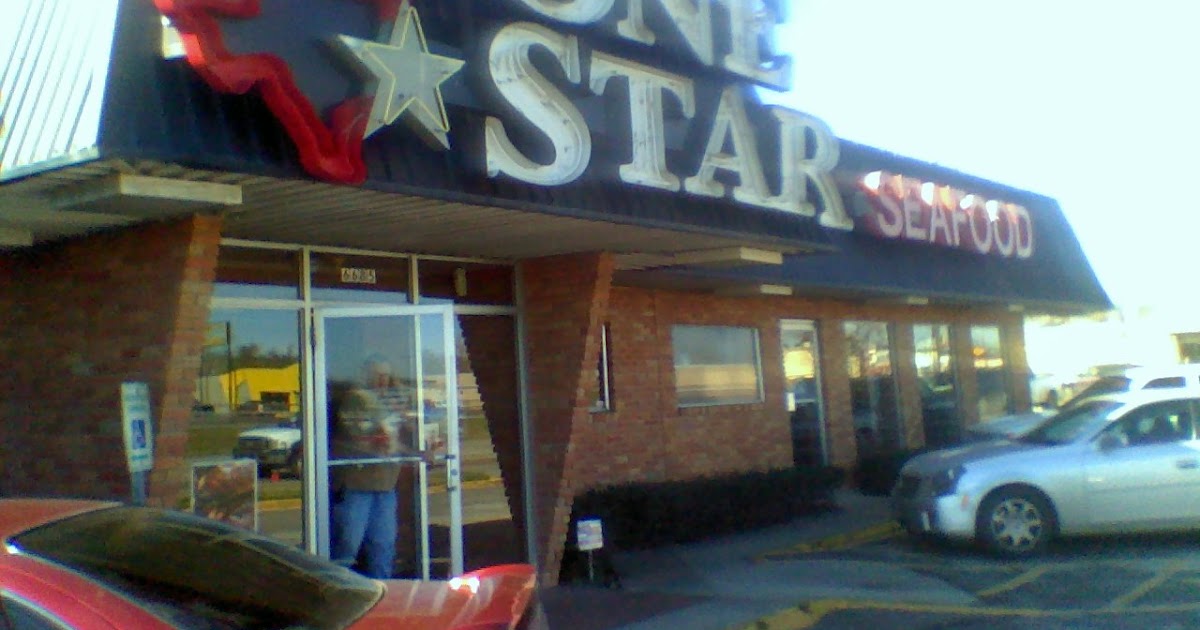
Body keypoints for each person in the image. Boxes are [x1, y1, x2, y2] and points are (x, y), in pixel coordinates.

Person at [328, 355, 417, 579]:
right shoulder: (356, 400)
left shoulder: (391, 403)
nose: (382, 380)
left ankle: (384, 597)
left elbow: (395, 442)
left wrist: (417, 451)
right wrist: (384, 439)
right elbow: (360, 439)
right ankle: (338, 595)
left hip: (386, 485)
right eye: (377, 375)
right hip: (357, 485)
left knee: (383, 546)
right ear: (366, 375)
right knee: (347, 546)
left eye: (386, 375)